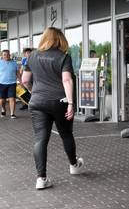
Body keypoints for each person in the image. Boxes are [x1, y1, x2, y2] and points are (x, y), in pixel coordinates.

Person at [21, 27, 85, 190]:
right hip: (59, 101)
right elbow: (67, 80)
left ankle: (41, 178)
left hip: (37, 102)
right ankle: (74, 165)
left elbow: (25, 80)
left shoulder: (32, 55)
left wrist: (33, 92)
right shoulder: (63, 57)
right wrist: (71, 103)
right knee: (66, 134)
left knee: (40, 139)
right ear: (60, 40)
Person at [0, 50, 19, 119]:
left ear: (9, 55)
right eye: (4, 54)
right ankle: (3, 109)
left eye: (8, 54)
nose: (6, 56)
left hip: (12, 83)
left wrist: (20, 80)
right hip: (1, 83)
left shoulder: (14, 63)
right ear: (2, 55)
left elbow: (17, 73)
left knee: (12, 98)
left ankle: (12, 114)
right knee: (2, 100)